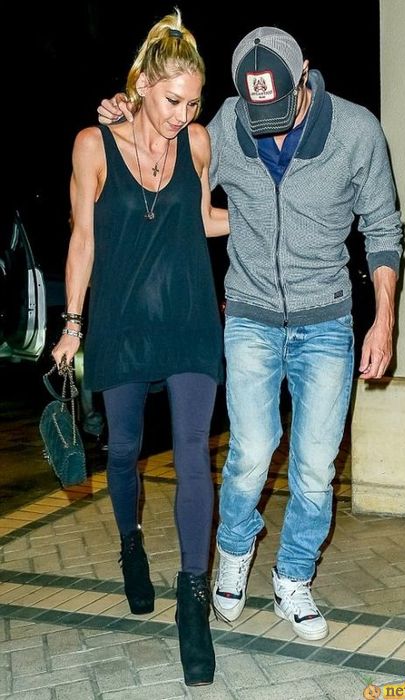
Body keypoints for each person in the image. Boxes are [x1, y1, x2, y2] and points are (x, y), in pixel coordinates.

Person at [98, 26, 402, 642]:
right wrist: (127, 117)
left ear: (304, 75)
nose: (267, 123)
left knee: (314, 468)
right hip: (250, 315)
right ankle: (234, 553)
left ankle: (293, 577)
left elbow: (382, 228)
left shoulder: (357, 131)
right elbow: (165, 172)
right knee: (250, 454)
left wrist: (384, 319)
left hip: (327, 319)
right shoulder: (225, 126)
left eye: (279, 106)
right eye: (253, 108)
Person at [53, 9, 229, 687]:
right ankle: (130, 546)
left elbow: (203, 219)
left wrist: (269, 214)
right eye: (173, 101)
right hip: (121, 321)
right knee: (123, 450)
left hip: (189, 319)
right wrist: (73, 324)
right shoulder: (93, 145)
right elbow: (82, 238)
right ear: (143, 85)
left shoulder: (199, 144)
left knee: (192, 454)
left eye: (194, 104)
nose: (184, 116)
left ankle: (192, 603)